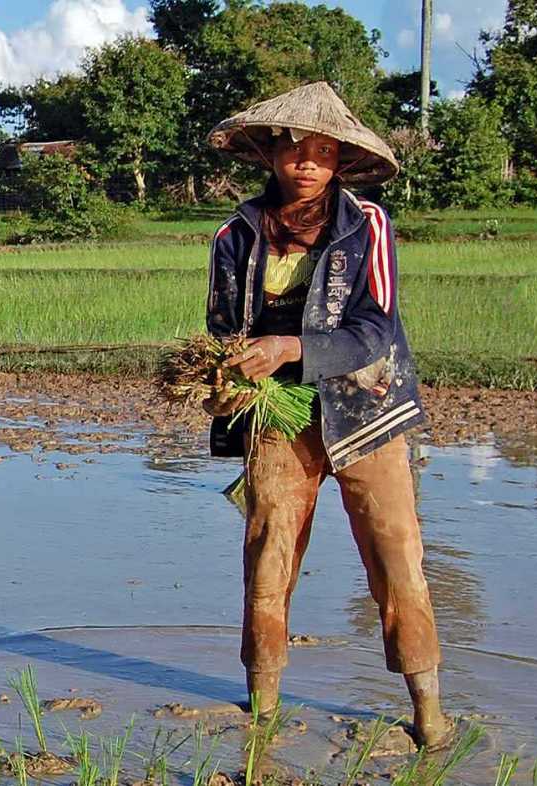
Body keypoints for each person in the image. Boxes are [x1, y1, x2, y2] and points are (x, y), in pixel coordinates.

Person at [203, 82, 450, 748]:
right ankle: (262, 714)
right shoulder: (237, 234)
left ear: (339, 159)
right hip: (280, 417)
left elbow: (375, 329)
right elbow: (225, 325)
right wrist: (229, 375)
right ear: (272, 157)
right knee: (268, 555)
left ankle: (429, 714)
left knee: (396, 554)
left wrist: (292, 347)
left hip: (364, 407)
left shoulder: (365, 224)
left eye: (320, 153)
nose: (306, 165)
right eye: (293, 152)